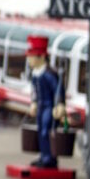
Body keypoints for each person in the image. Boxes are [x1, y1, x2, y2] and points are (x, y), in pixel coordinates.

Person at [26, 35, 64, 169]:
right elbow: (35, 91)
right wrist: (34, 102)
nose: (29, 60)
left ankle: (50, 158)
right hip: (41, 105)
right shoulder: (36, 74)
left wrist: (59, 104)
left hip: (49, 106)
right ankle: (44, 155)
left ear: (41, 57)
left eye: (31, 57)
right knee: (40, 130)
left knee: (46, 131)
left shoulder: (49, 74)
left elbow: (57, 89)